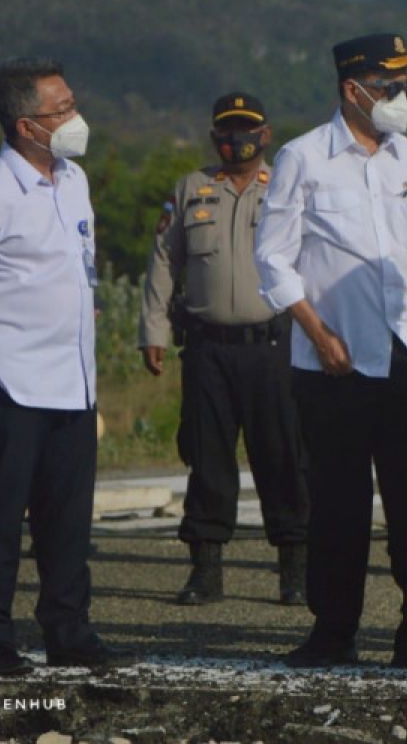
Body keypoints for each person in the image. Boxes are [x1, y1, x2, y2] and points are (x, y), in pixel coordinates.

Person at [255, 33, 407, 672]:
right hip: (333, 359)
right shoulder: (303, 159)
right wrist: (318, 334)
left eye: (406, 85)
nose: (401, 97)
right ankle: (333, 630)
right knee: (339, 502)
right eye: (390, 85)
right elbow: (273, 256)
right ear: (354, 90)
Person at [0, 57, 131, 677]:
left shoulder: (74, 181)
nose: (75, 118)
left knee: (66, 522)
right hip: (8, 384)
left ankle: (68, 630)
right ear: (25, 125)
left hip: (72, 385)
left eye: (72, 103)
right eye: (60, 110)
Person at [138, 92, 309, 607]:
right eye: (228, 132)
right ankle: (205, 573)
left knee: (284, 458)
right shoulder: (192, 189)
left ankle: (296, 571)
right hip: (208, 348)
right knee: (208, 458)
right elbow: (164, 261)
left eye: (247, 131)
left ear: (265, 135)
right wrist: (154, 331)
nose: (238, 141)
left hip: (274, 344)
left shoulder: (286, 186)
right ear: (215, 137)